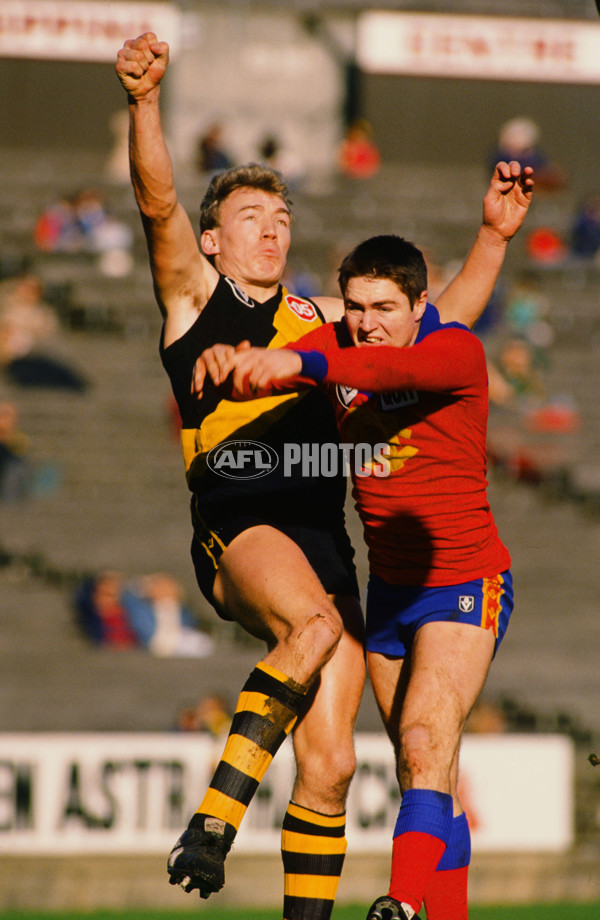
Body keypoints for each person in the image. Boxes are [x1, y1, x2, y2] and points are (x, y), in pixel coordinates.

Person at [115, 31, 532, 918]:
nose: (270, 231)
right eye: (250, 220)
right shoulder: (195, 297)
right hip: (241, 516)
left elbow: (424, 328)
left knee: (335, 764)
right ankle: (215, 824)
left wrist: (491, 243)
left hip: (327, 537)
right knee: (307, 627)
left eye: (282, 219)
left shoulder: (321, 317)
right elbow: (156, 206)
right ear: (215, 239)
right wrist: (145, 103)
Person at [196, 234, 520, 920]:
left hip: (463, 582)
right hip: (390, 595)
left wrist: (289, 361)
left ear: (420, 307)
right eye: (355, 306)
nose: (367, 320)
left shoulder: (455, 351)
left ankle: (400, 905)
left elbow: (366, 369)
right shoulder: (346, 352)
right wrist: (248, 358)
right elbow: (331, 363)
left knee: (426, 742)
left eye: (383, 306)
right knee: (424, 769)